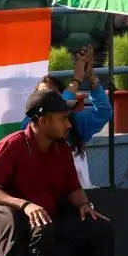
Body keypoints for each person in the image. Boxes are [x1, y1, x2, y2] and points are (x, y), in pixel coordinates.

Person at [0, 89, 113, 256]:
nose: (69, 124)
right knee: (44, 230)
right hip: (20, 221)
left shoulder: (63, 150)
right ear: (42, 121)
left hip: (52, 217)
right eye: (63, 119)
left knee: (102, 228)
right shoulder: (11, 145)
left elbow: (73, 188)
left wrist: (84, 204)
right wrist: (25, 206)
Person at [27, 46, 112, 188]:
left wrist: (90, 75)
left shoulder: (75, 121)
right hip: (49, 199)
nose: (68, 126)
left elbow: (104, 113)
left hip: (84, 196)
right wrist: (77, 79)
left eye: (52, 93)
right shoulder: (31, 122)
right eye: (42, 94)